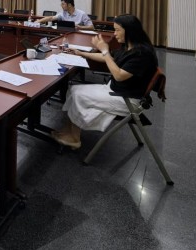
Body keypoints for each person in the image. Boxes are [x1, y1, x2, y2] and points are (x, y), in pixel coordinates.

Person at [49, 14, 158, 149]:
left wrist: (105, 50)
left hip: (128, 100)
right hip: (118, 89)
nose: (114, 34)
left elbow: (118, 75)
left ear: (129, 31)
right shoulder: (128, 46)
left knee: (79, 95)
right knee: (73, 89)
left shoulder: (141, 54)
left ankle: (74, 138)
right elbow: (108, 57)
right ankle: (69, 131)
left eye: (117, 30)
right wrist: (81, 53)